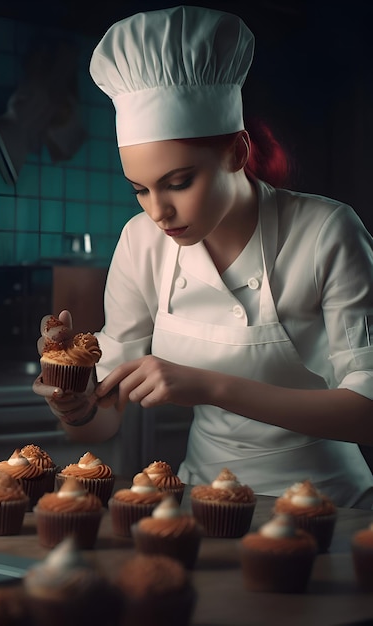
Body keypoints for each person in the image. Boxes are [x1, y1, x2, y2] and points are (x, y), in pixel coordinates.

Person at [32, 5, 373, 508]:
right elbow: (103, 422)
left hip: (330, 507)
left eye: (179, 182)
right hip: (203, 502)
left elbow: (366, 412)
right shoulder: (141, 241)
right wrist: (75, 404)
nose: (159, 212)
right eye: (140, 191)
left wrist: (210, 385)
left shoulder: (325, 231)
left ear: (237, 152)